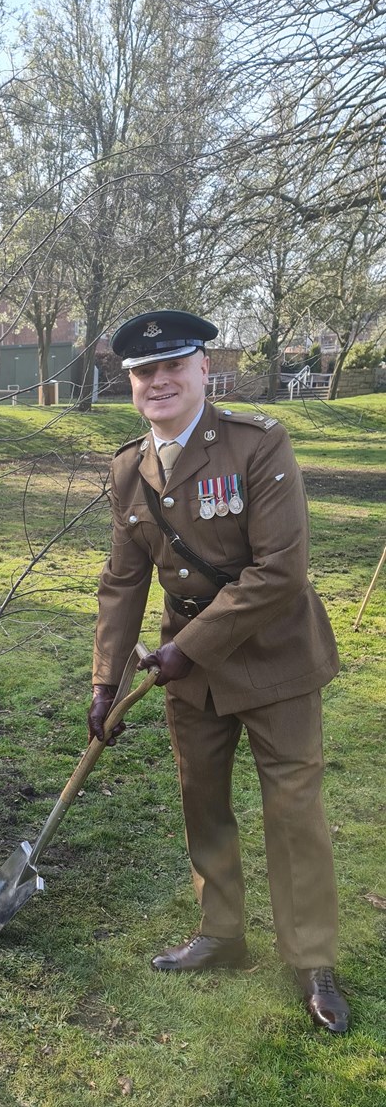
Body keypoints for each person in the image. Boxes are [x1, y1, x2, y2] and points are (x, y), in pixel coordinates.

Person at [88, 310, 349, 1033]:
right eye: (145, 371)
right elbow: (122, 582)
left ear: (206, 369)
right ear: (130, 384)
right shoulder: (128, 468)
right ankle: (221, 933)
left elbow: (280, 572)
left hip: (275, 658)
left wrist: (185, 649)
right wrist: (105, 680)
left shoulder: (257, 444)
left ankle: (313, 958)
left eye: (174, 365)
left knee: (293, 810)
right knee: (203, 800)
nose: (159, 381)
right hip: (191, 674)